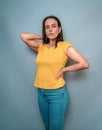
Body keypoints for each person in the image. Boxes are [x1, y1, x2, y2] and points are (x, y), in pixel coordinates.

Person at [20, 15, 89, 130]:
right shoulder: (41, 46)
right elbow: (23, 36)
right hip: (41, 93)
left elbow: (84, 63)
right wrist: (44, 37)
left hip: (57, 95)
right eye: (47, 27)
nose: (50, 29)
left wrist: (64, 69)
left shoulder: (64, 46)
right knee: (48, 128)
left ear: (59, 29)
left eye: (53, 26)